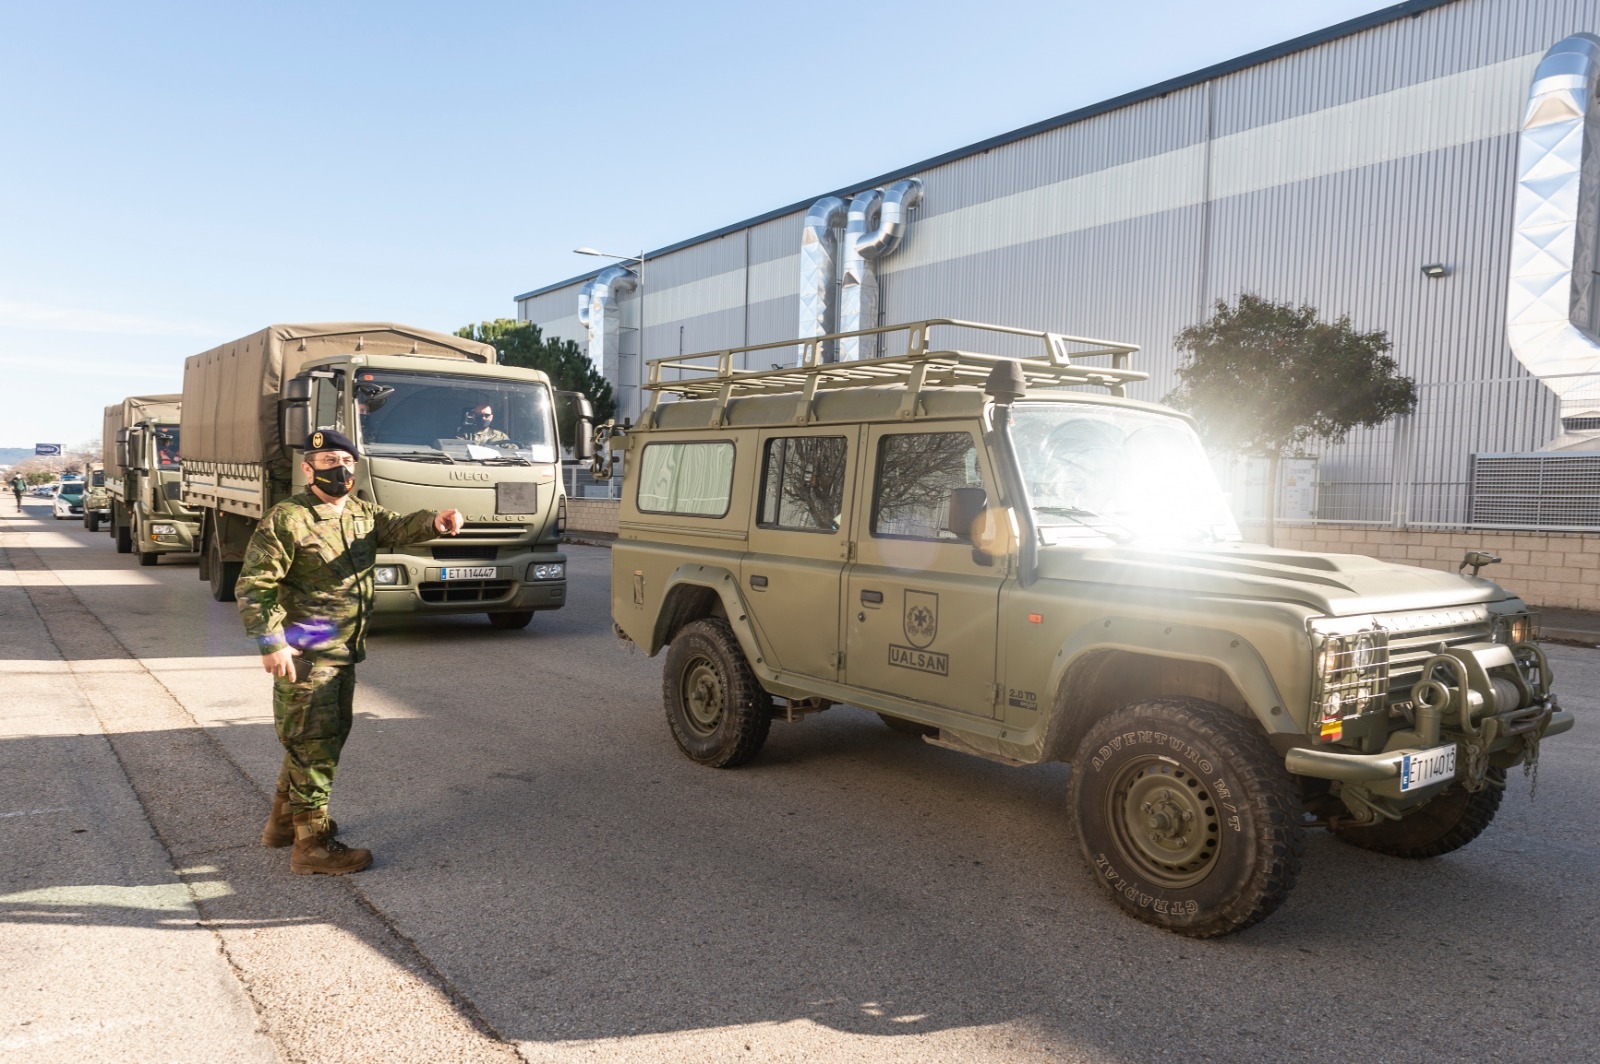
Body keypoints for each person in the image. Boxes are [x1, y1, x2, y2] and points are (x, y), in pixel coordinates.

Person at [236, 429, 465, 875]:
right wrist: (271, 641)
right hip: (307, 654)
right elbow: (254, 583)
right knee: (314, 746)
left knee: (319, 740)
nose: (337, 468)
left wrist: (436, 522)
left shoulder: (360, 512)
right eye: (325, 461)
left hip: (344, 650)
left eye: (344, 459)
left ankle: (285, 824)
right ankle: (312, 846)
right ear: (308, 469)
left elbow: (398, 526)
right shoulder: (288, 518)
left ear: (354, 466)